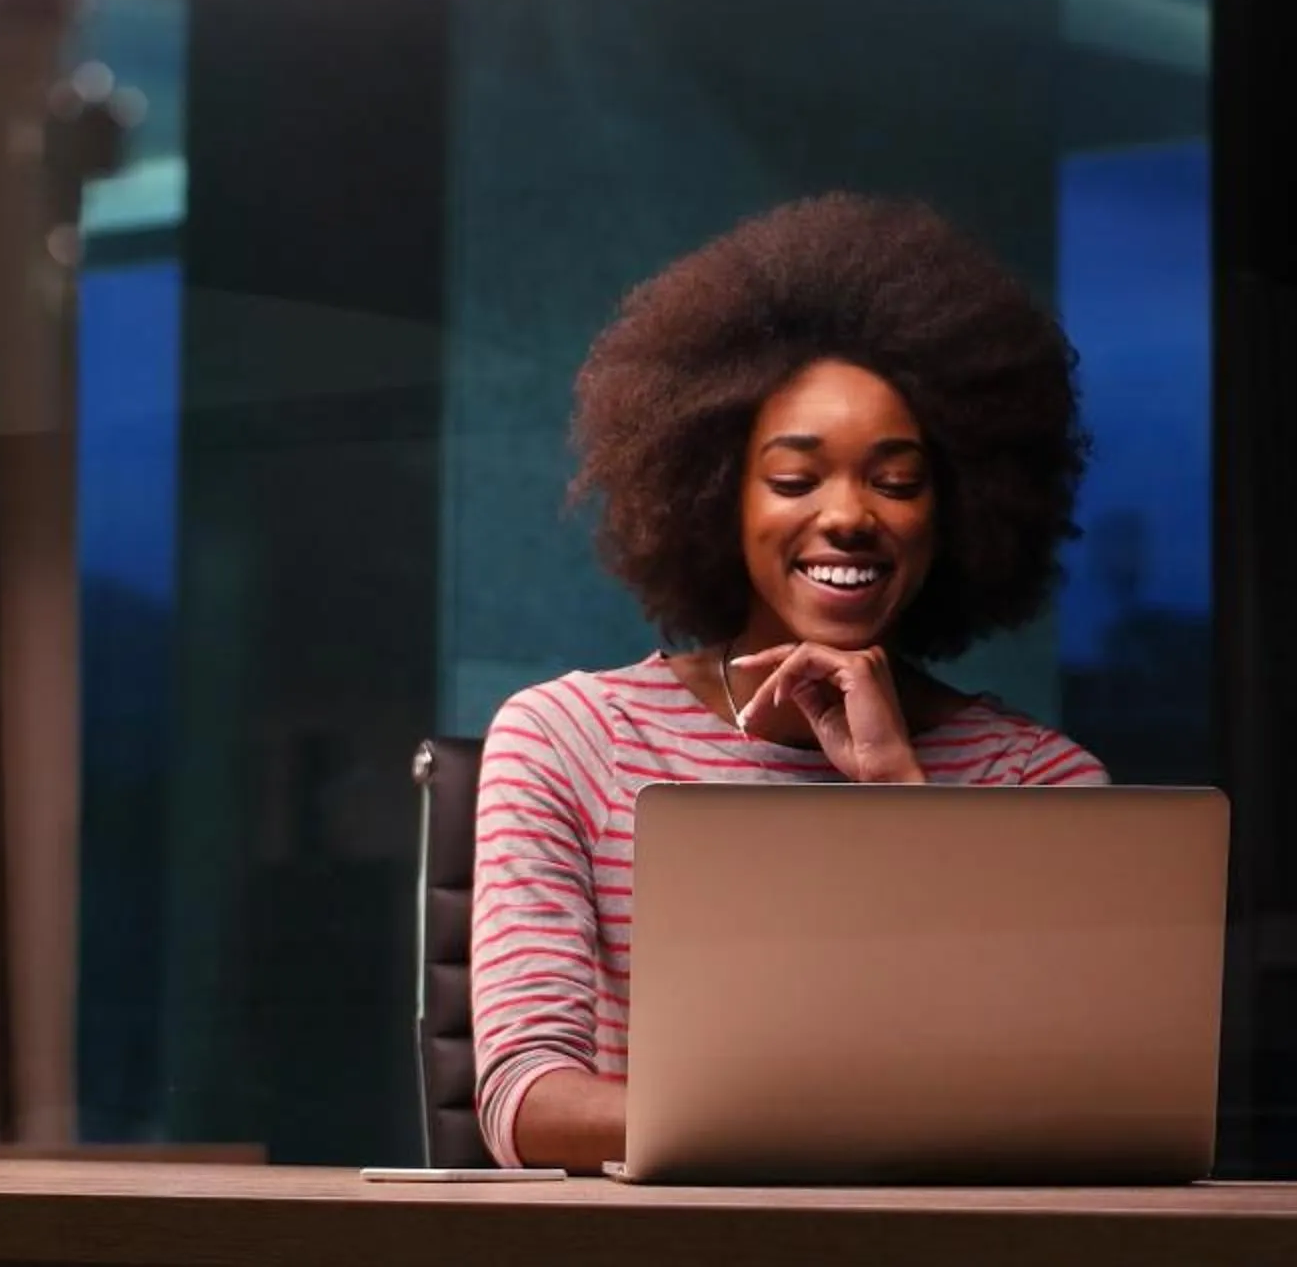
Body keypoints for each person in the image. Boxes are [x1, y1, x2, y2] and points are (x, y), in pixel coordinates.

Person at [469, 193, 1110, 1173]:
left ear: (957, 511)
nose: (848, 515)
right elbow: (527, 1100)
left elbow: (1073, 1102)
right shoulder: (570, 740)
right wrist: (844, 1123)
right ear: (714, 496)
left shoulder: (1042, 785)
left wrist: (903, 795)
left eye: (896, 481)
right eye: (795, 478)